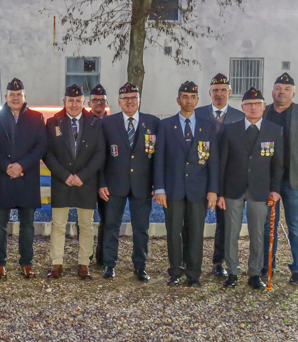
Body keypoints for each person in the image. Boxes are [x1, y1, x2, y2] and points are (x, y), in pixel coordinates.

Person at [153, 81, 219, 287]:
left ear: (198, 100)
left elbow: (213, 161)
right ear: (178, 100)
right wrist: (160, 189)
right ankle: (175, 272)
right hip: (172, 190)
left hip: (198, 191)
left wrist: (213, 190)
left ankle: (193, 274)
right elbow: (159, 160)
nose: (188, 101)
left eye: (192, 97)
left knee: (196, 233)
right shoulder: (165, 125)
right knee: (173, 231)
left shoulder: (207, 126)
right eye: (184, 96)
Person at [217, 88, 283, 290]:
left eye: (257, 104)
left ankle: (255, 274)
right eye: (249, 104)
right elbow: (222, 164)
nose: (253, 107)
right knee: (231, 233)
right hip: (233, 189)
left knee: (257, 233)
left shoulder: (274, 130)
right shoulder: (230, 129)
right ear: (242, 107)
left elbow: (278, 164)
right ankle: (233, 272)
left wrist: (275, 189)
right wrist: (219, 193)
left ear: (264, 106)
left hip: (260, 190)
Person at [0, 78, 48, 279]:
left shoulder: (37, 118)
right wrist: (6, 166)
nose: (15, 98)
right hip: (1, 178)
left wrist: (21, 166)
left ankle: (26, 262)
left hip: (26, 177)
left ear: (24, 97)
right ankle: (0, 263)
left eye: (18, 94)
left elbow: (40, 146)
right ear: (6, 97)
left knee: (27, 225)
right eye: (11, 95)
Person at [99, 82, 159, 281]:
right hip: (114, 184)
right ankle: (109, 264)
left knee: (141, 228)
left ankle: (140, 266)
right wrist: (101, 182)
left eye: (134, 98)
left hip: (143, 185)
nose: (130, 102)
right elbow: (100, 156)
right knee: (111, 225)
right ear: (119, 102)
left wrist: (157, 185)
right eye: (126, 99)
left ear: (139, 100)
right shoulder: (107, 123)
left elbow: (158, 158)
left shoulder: (153, 123)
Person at [43, 84, 105, 279]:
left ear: (83, 102)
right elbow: (48, 153)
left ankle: (83, 264)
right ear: (64, 102)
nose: (74, 104)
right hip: (62, 181)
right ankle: (57, 263)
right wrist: (65, 175)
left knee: (86, 224)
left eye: (78, 101)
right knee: (58, 224)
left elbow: (100, 153)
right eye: (70, 100)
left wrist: (82, 176)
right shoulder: (53, 122)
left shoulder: (95, 123)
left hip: (85, 182)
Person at [262, 73, 298, 285]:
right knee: (266, 226)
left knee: (296, 227)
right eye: (277, 88)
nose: (281, 92)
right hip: (266, 179)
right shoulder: (263, 113)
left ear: (293, 92)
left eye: (285, 89)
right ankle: (267, 266)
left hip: (294, 179)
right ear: (272, 91)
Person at [195, 73, 244, 277]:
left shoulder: (239, 117)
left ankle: (218, 261)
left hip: (227, 176)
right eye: (215, 90)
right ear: (210, 93)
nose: (219, 94)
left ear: (230, 92)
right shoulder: (197, 114)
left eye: (223, 90)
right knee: (195, 220)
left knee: (224, 223)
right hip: (199, 174)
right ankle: (191, 262)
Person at [88, 84, 108, 266]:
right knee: (85, 220)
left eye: (102, 100)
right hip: (87, 179)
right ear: (89, 103)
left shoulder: (113, 123)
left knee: (107, 220)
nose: (99, 103)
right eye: (95, 100)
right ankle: (85, 257)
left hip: (108, 182)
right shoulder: (83, 122)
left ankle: (103, 257)